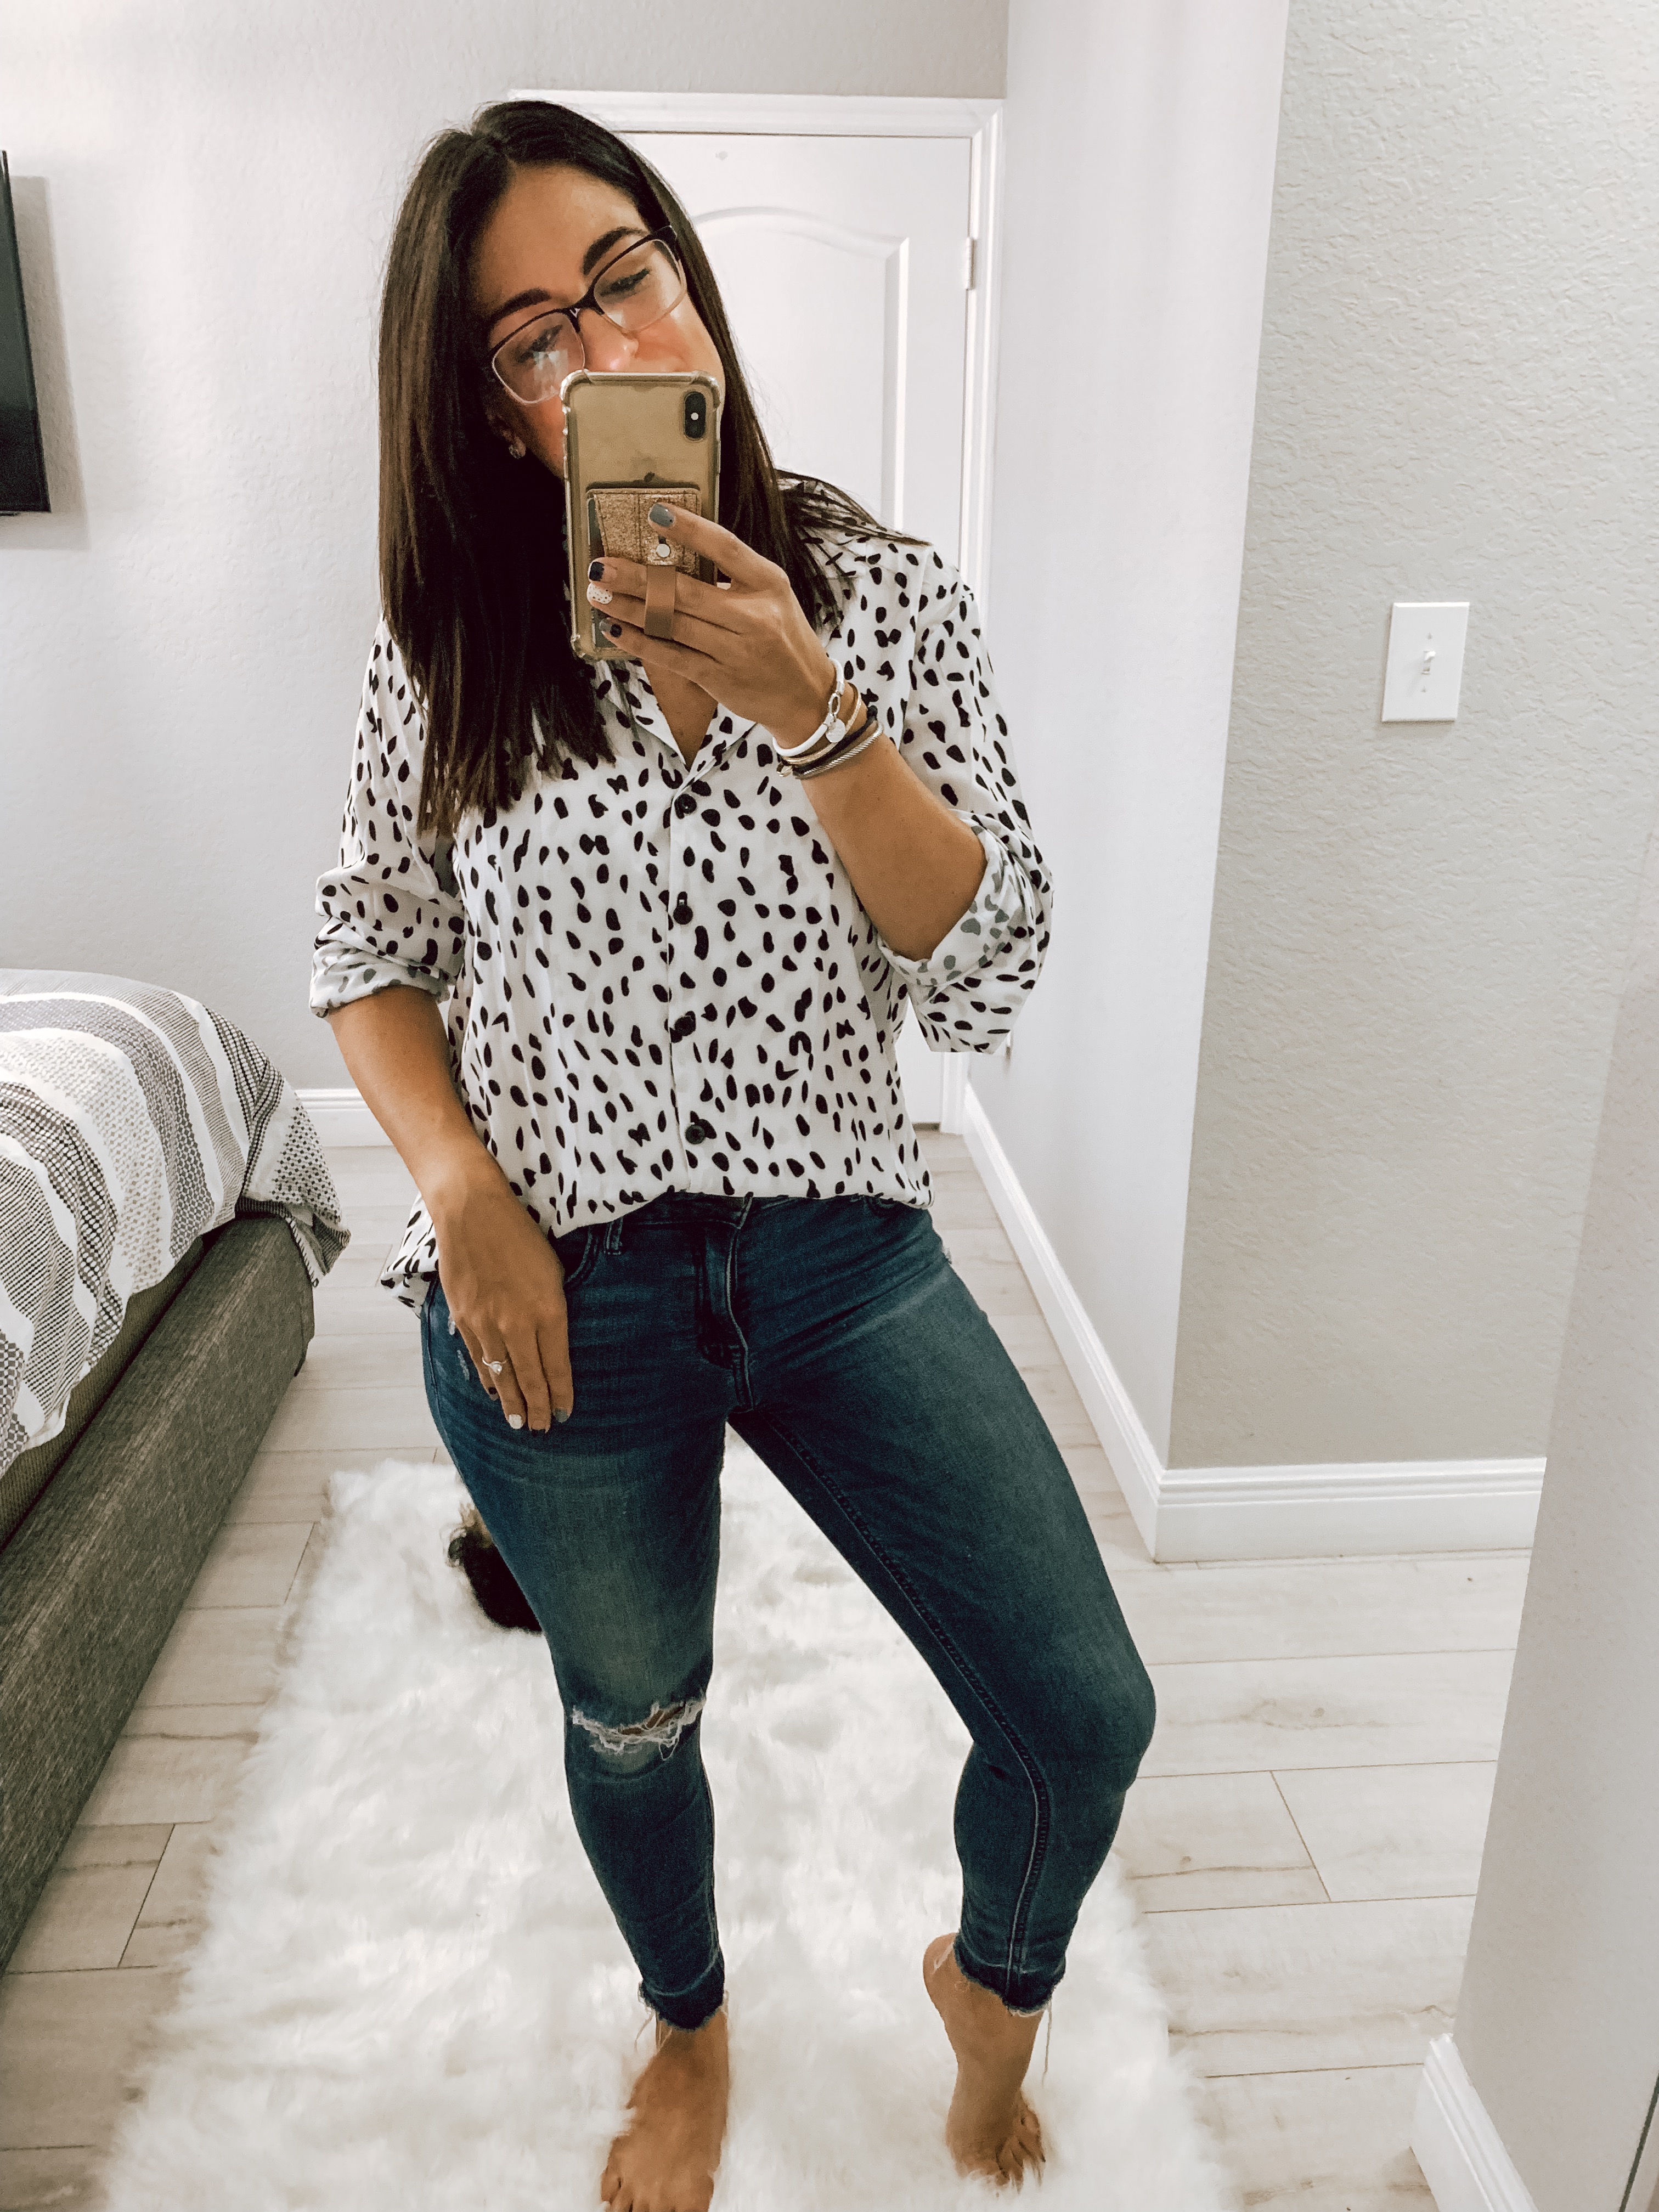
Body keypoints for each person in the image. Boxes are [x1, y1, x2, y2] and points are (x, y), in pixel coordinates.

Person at [311, 98, 1156, 2212]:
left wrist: (816, 710)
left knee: (1081, 1709)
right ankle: (687, 2023)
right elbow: (363, 949)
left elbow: (989, 968)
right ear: (495, 410)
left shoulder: (885, 597)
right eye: (532, 338)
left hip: (840, 1248)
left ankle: (994, 1984)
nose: (603, 347)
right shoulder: (453, 645)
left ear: (686, 279)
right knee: (635, 1714)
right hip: (559, 1274)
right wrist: (462, 1197)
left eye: (624, 278)